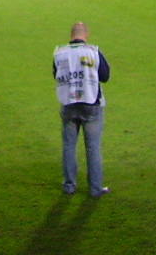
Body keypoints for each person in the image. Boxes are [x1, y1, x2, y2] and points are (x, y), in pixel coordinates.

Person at [53, 21, 110, 198]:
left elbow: (56, 75)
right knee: (92, 147)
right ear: (86, 35)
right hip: (91, 103)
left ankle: (69, 185)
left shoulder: (59, 53)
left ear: (71, 35)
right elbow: (105, 76)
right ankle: (95, 189)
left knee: (69, 146)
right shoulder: (93, 51)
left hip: (69, 104)